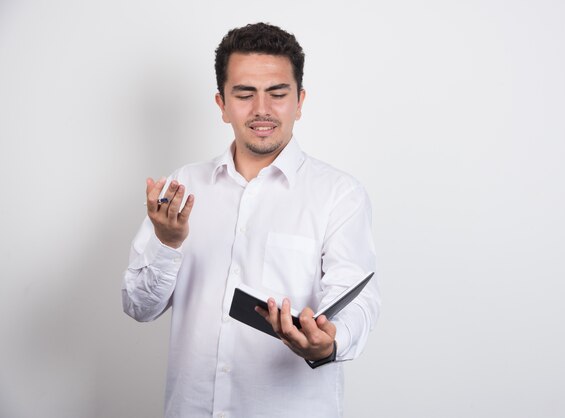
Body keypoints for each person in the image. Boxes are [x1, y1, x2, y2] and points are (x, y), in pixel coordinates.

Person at [122, 22, 381, 418]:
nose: (262, 109)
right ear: (222, 104)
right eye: (244, 94)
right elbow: (139, 307)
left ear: (300, 100)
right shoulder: (181, 187)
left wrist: (327, 343)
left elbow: (357, 303)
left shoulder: (339, 194)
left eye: (277, 93)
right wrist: (166, 242)